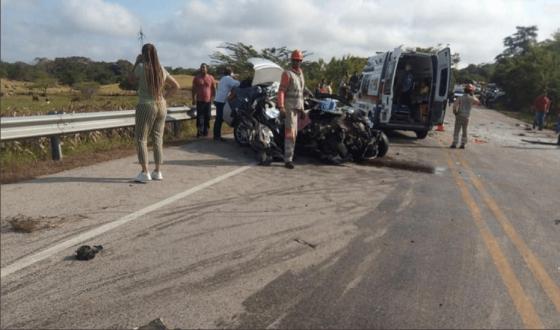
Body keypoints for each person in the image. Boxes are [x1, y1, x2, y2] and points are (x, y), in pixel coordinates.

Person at [128, 43, 180, 183]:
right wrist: (164, 97)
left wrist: (136, 62)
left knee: (141, 139)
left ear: (143, 54)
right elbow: (176, 86)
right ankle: (157, 171)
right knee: (158, 138)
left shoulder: (141, 67)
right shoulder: (161, 69)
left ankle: (145, 172)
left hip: (146, 105)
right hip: (161, 104)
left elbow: (130, 79)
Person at [278, 49, 306, 169]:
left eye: (299, 60)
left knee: (295, 134)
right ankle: (288, 159)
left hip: (297, 108)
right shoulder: (287, 74)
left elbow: (301, 93)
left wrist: (303, 109)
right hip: (289, 108)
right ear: (292, 60)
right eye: (295, 60)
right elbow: (281, 91)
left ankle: (291, 154)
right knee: (290, 134)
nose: (297, 62)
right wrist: (281, 106)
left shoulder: (300, 74)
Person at [213, 66, 239, 141]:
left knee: (219, 118)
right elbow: (238, 84)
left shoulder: (223, 78)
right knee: (219, 118)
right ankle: (217, 137)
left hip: (218, 100)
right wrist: (234, 77)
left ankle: (216, 135)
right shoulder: (228, 79)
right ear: (231, 73)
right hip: (221, 101)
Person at [451, 84, 480, 149]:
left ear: (464, 90)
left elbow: (455, 106)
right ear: (471, 91)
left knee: (456, 130)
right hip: (467, 117)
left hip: (459, 115)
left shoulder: (460, 97)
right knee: (465, 130)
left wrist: (455, 112)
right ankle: (463, 144)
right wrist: (473, 94)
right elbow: (478, 102)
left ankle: (454, 143)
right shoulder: (471, 98)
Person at [192, 63, 216, 137]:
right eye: (201, 67)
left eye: (204, 67)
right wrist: (193, 99)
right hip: (199, 100)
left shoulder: (211, 77)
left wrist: (214, 98)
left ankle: (206, 131)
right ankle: (199, 132)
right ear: (200, 69)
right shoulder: (196, 78)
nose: (203, 69)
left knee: (208, 116)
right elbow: (193, 89)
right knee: (200, 117)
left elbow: (214, 88)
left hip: (208, 101)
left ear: (207, 69)